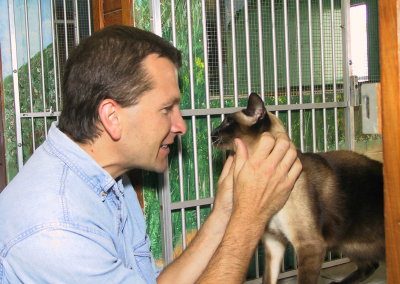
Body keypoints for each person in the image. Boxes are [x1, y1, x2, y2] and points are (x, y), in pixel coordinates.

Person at [0, 25, 302, 283]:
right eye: (166, 109)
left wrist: (227, 210)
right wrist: (250, 218)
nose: (180, 125)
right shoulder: (57, 230)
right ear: (112, 117)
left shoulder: (111, 179)